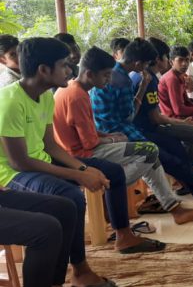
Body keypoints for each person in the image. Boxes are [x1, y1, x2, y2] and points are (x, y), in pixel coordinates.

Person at [0, 37, 114, 287]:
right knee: (70, 196)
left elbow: (50, 146)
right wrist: (77, 175)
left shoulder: (45, 97)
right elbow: (19, 163)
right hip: (11, 174)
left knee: (71, 197)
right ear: (43, 70)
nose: (70, 70)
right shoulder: (10, 102)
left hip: (35, 165)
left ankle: (76, 272)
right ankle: (79, 270)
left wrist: (83, 168)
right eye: (64, 65)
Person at [91, 38, 193, 202]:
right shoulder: (126, 79)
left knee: (176, 150)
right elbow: (131, 117)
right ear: (141, 62)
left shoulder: (125, 75)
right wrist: (141, 90)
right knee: (167, 156)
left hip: (135, 128)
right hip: (129, 131)